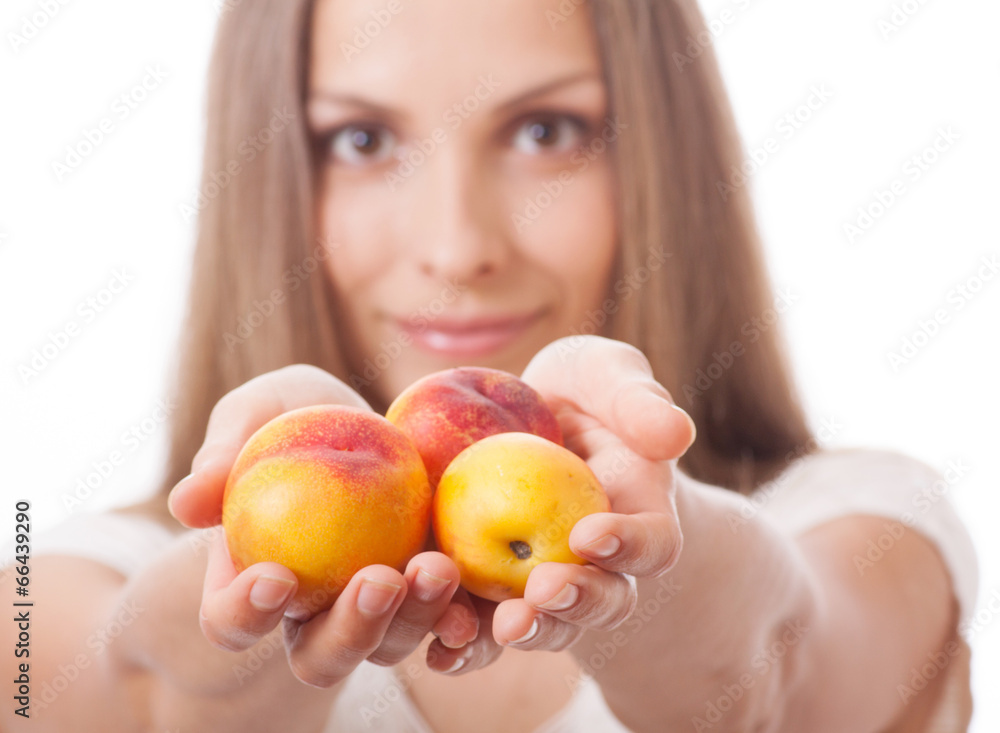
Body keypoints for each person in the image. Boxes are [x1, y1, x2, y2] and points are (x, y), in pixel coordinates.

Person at [1, 0, 979, 731]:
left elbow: (774, 678)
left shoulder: (870, 521)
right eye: (360, 139)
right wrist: (258, 565)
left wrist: (639, 538)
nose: (457, 246)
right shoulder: (54, 587)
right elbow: (127, 692)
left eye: (545, 131)